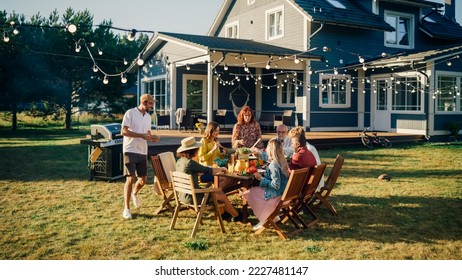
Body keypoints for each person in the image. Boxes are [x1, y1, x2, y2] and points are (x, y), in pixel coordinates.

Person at [176, 136, 242, 222]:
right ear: (193, 150)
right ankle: (237, 216)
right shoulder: (190, 163)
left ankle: (224, 214)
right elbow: (208, 170)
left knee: (218, 191)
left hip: (182, 195)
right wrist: (222, 169)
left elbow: (195, 172)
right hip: (193, 197)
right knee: (220, 194)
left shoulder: (180, 161)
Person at [121, 94, 160, 219]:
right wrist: (141, 136)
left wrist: (152, 138)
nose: (152, 106)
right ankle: (126, 209)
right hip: (130, 150)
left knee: (142, 180)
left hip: (143, 151)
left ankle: (134, 193)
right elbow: (124, 131)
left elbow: (147, 133)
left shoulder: (148, 117)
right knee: (130, 179)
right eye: (150, 103)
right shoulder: (130, 113)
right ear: (144, 102)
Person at [243, 139, 289, 230]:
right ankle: (270, 215)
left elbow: (276, 185)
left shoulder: (273, 165)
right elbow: (267, 158)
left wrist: (261, 179)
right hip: (284, 194)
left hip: (276, 195)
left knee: (248, 193)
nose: (266, 149)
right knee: (253, 191)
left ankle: (265, 218)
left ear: (271, 150)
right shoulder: (282, 161)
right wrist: (259, 153)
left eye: (267, 147)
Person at [198, 122, 239, 193]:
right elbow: (202, 158)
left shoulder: (215, 140)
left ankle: (219, 195)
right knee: (227, 179)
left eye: (218, 131)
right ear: (210, 130)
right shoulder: (204, 141)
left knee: (234, 179)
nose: (217, 133)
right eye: (216, 131)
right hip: (206, 171)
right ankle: (214, 196)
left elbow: (217, 157)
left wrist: (223, 154)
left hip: (216, 169)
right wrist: (213, 149)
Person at [288, 126, 324, 191]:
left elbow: (289, 172)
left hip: (302, 189)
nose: (292, 146)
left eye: (292, 144)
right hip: (311, 186)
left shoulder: (299, 155)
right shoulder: (309, 152)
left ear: (298, 144)